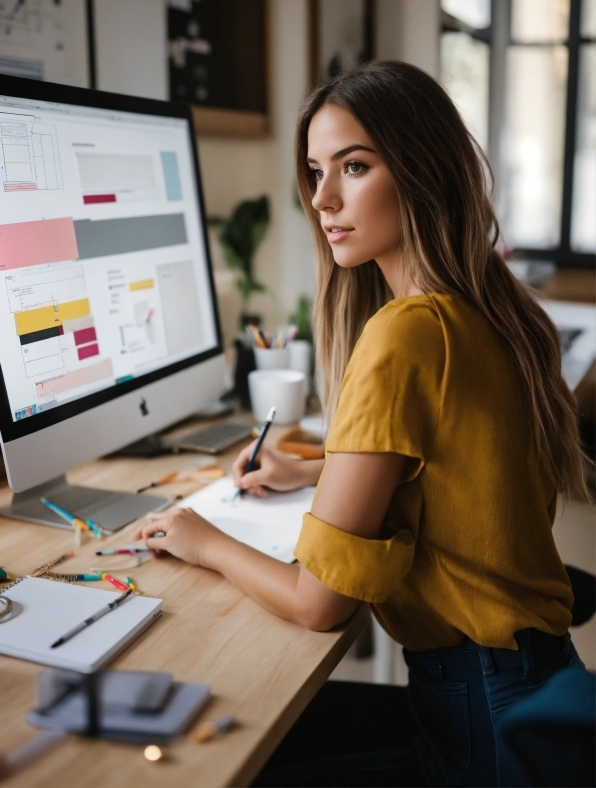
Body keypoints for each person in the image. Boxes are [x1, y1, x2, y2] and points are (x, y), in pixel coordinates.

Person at [136, 61, 589, 786]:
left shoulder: (406, 332)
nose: (322, 198)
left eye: (354, 166)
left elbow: (319, 605)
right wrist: (315, 468)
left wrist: (203, 541)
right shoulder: (493, 308)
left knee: (217, 754)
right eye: (316, 171)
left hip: (482, 717)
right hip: (527, 686)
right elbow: (456, 463)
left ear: (420, 169)